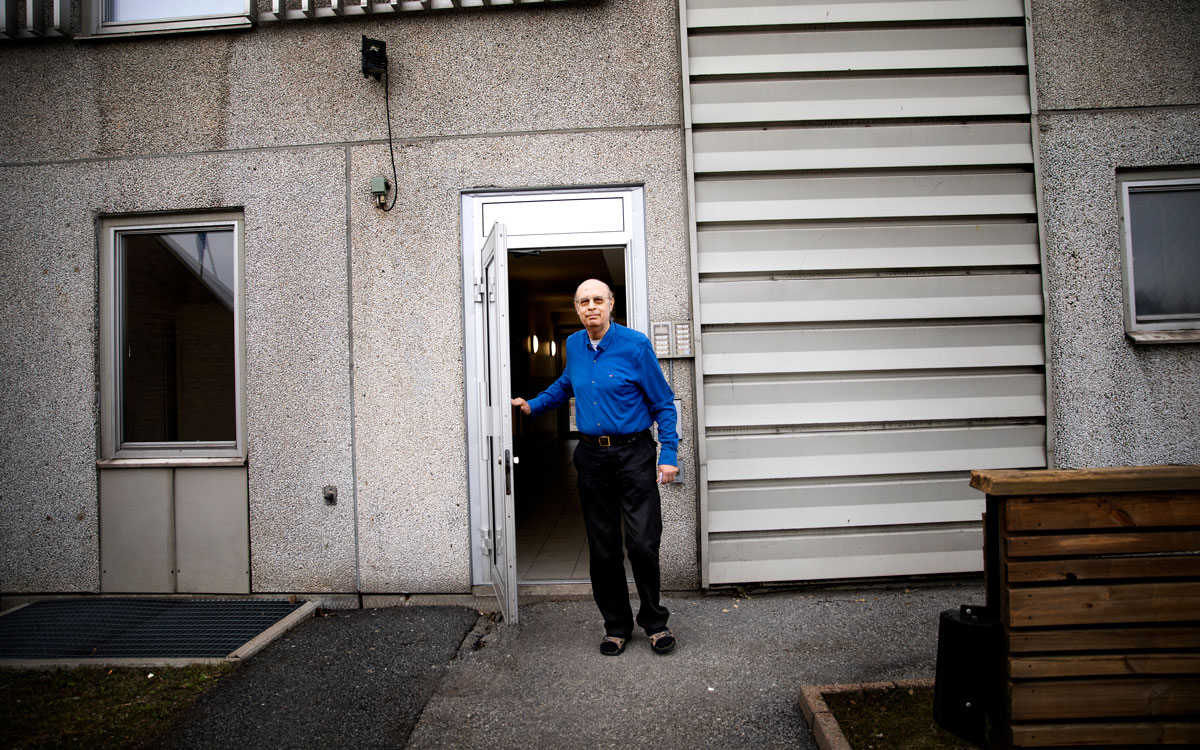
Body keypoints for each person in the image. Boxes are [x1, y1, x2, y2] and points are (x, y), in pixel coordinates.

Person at [512, 279, 679, 656]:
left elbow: (664, 404)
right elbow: (567, 383)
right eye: (584, 301)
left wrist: (668, 453)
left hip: (634, 454)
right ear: (576, 308)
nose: (591, 307)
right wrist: (533, 405)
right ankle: (616, 627)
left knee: (642, 543)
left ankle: (655, 622)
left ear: (611, 304)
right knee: (603, 549)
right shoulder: (573, 344)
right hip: (591, 458)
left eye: (598, 300)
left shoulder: (635, 345)